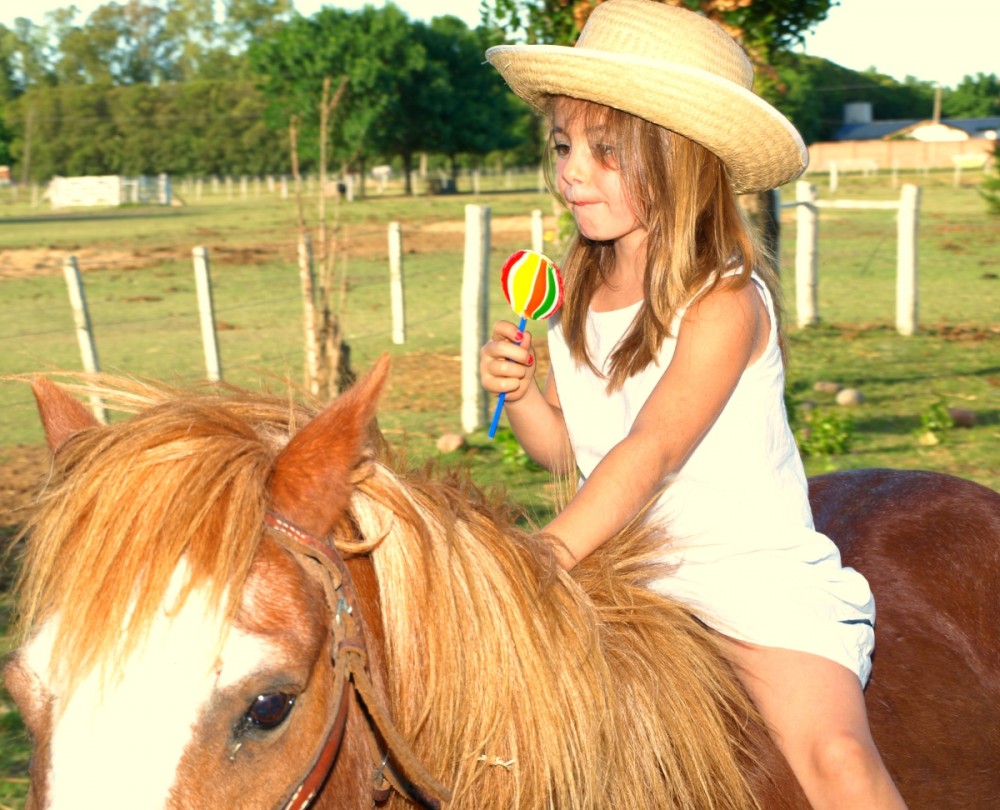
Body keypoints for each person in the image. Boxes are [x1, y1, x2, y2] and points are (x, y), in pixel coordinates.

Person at [480, 2, 907, 808]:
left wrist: (547, 555)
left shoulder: (723, 303)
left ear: (681, 161)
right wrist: (525, 393)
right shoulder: (576, 293)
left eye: (606, 152)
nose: (572, 171)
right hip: (630, 572)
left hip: (747, 578)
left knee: (837, 761)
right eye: (565, 146)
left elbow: (651, 449)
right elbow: (575, 453)